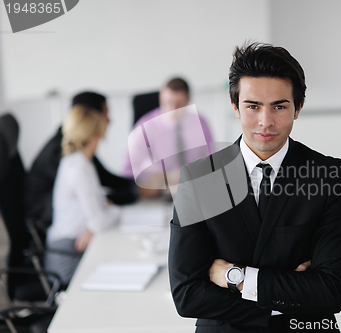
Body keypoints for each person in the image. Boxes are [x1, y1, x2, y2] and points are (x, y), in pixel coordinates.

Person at [168, 43, 341, 332]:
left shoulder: (328, 175)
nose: (265, 122)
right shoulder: (200, 178)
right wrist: (284, 296)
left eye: (279, 107)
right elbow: (187, 295)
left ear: (298, 108)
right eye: (252, 106)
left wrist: (237, 277)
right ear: (235, 107)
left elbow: (332, 291)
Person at [24, 92, 137, 239]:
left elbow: (104, 181)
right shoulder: (70, 161)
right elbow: (94, 212)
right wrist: (111, 208)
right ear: (89, 118)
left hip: (69, 230)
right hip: (54, 226)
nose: (109, 120)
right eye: (106, 113)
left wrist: (133, 189)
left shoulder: (77, 154)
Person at [44, 105, 120, 284]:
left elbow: (96, 217)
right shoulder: (79, 169)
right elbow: (99, 221)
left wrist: (94, 223)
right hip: (67, 252)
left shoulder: (77, 162)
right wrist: (115, 211)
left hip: (72, 245)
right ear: (96, 135)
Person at [121, 77, 213, 198]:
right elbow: (126, 172)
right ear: (161, 99)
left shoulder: (201, 123)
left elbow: (212, 161)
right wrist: (161, 179)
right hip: (157, 196)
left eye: (179, 104)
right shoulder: (144, 128)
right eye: (168, 103)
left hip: (194, 194)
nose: (173, 109)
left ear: (188, 100)